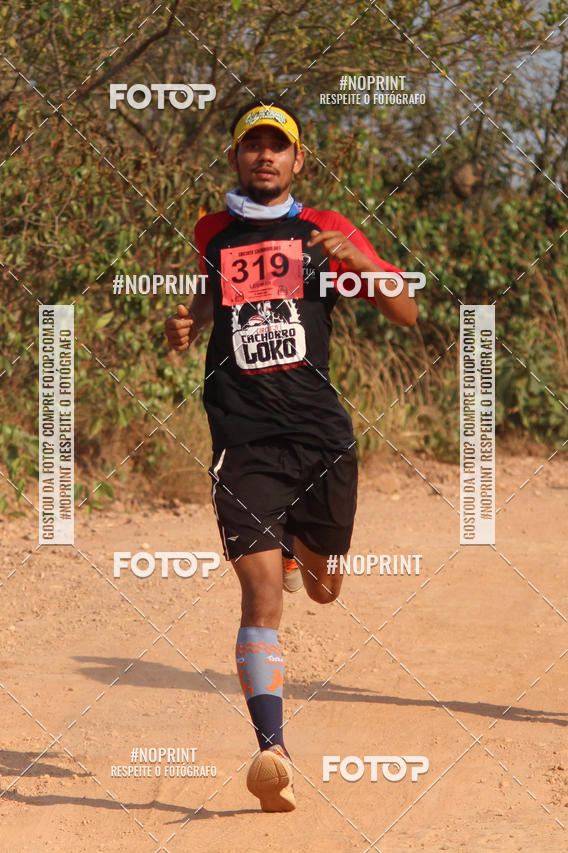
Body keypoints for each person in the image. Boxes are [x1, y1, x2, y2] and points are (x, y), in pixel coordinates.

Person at [165, 98, 418, 812]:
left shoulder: (326, 231)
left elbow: (407, 311)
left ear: (298, 160)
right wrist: (187, 322)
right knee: (262, 595)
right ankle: (271, 750)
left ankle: (301, 548)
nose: (265, 157)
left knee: (325, 586)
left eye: (279, 147)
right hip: (242, 437)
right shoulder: (213, 231)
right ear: (235, 158)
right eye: (253, 146)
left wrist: (359, 261)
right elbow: (208, 298)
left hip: (321, 439)